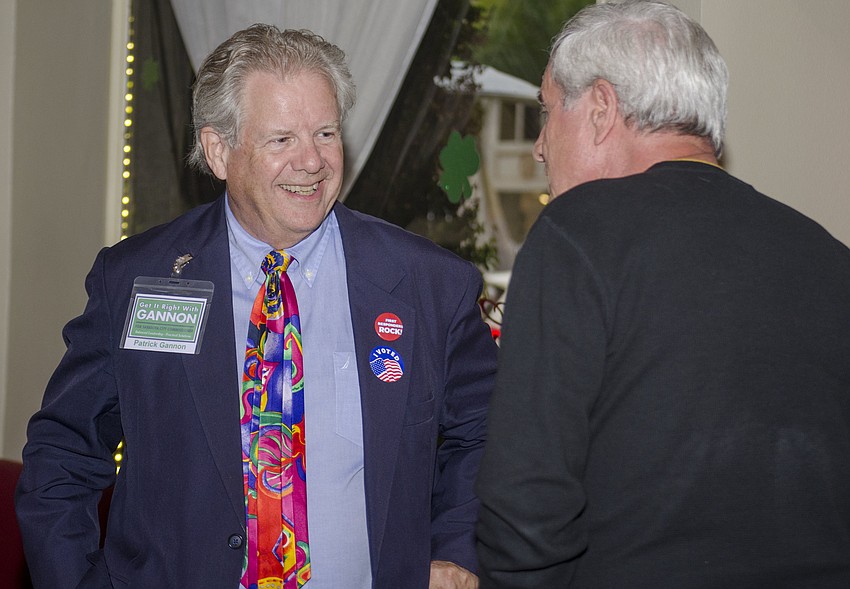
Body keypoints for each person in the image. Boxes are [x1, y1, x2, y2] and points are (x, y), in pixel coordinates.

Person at [16, 24, 496, 589]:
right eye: (281, 140)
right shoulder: (138, 281)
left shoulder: (428, 285)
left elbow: (484, 432)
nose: (312, 162)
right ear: (219, 150)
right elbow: (63, 451)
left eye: (325, 133)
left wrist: (454, 550)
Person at [475, 1, 850, 587]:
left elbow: (526, 501)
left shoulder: (579, 233)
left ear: (601, 108)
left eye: (547, 113)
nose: (539, 146)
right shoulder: (829, 258)